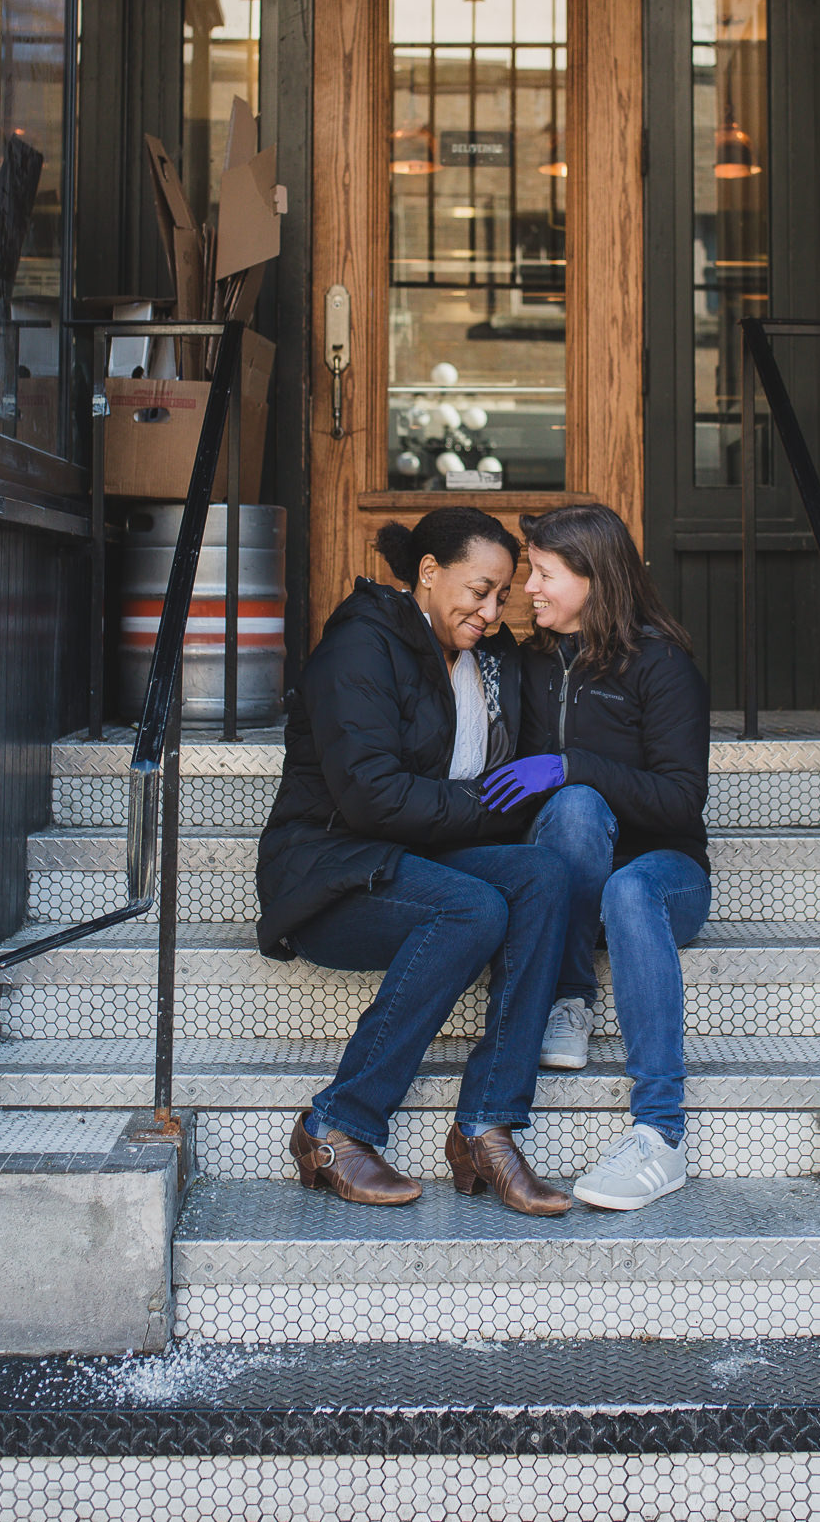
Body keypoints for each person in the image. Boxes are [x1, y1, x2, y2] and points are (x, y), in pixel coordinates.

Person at [255, 506, 571, 1216]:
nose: (491, 611)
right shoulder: (361, 648)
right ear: (428, 574)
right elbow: (373, 797)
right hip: (332, 874)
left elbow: (514, 775)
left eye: (502, 595)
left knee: (545, 876)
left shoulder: (492, 657)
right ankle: (336, 1125)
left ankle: (486, 1126)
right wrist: (486, 808)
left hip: (425, 860)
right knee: (476, 906)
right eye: (478, 590)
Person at [481, 503, 711, 1211]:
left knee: (626, 885)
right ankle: (570, 998)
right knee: (573, 811)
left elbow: (680, 801)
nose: (529, 589)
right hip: (564, 875)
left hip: (662, 876)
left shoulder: (661, 663)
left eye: (545, 574)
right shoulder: (531, 661)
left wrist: (573, 764)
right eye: (530, 573)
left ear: (594, 577)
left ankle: (660, 1136)